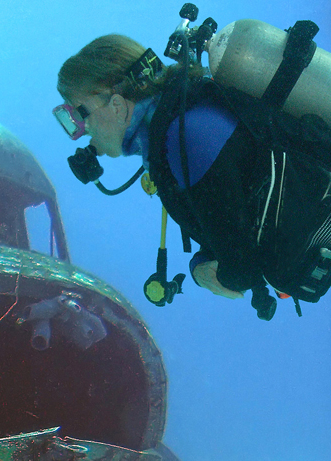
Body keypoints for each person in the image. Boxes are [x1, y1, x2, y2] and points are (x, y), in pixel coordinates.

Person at [54, 33, 331, 319]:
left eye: (78, 115)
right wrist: (202, 260)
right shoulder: (180, 126)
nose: (81, 131)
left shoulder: (184, 139)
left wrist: (200, 273)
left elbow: (240, 270)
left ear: (116, 105)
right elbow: (225, 218)